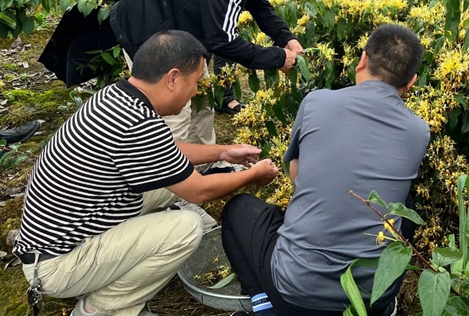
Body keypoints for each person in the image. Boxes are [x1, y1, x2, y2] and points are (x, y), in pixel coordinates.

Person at [13, 31, 279, 316]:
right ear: (173, 78)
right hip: (57, 266)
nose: (196, 91)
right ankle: (101, 308)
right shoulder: (136, 122)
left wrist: (225, 152)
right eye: (195, 82)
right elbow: (198, 190)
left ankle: (112, 277)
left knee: (168, 184)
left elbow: (167, 149)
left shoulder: (120, 97)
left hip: (62, 237)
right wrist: (254, 174)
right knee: (185, 228)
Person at [221, 24, 430, 316]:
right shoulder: (419, 130)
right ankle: (384, 306)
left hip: (294, 292)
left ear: (361, 61)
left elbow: (297, 176)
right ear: (411, 83)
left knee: (238, 210)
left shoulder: (317, 101)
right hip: (369, 300)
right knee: (404, 205)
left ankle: (265, 305)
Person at [110, 0, 322, 148]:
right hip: (151, 32)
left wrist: (286, 38)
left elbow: (257, 2)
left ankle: (205, 167)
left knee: (202, 101)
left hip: (184, 34)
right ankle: (170, 180)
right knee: (175, 118)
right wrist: (278, 58)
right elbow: (222, 39)